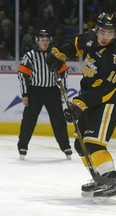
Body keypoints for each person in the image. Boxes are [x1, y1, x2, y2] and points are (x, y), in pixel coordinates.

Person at [45, 12, 116, 203]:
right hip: (90, 98)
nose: (106, 36)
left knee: (93, 143)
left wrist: (79, 104)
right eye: (103, 32)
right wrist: (58, 54)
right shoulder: (90, 39)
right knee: (80, 144)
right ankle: (99, 178)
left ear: (115, 34)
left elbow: (107, 88)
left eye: (110, 32)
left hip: (109, 101)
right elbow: (73, 45)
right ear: (96, 30)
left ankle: (113, 182)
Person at [17, 29, 72, 160]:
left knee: (58, 120)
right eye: (42, 40)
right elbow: (22, 75)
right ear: (37, 41)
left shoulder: (56, 55)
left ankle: (65, 146)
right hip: (35, 91)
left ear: (50, 41)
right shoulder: (30, 56)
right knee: (28, 121)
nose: (45, 42)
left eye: (47, 40)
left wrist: (62, 90)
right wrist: (25, 93)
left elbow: (63, 74)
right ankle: (22, 146)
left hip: (52, 91)